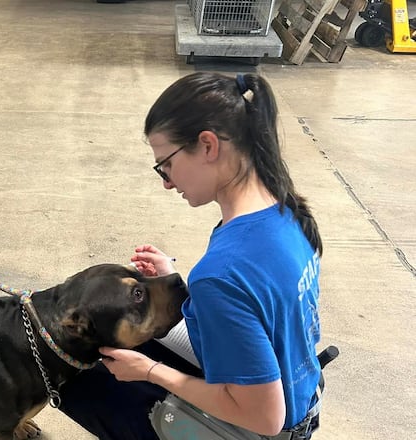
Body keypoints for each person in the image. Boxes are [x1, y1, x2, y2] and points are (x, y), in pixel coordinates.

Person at [59, 72, 323, 439]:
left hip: (266, 427)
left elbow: (265, 417)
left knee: (78, 378)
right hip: (302, 396)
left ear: (208, 145)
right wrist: (185, 288)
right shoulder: (286, 212)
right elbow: (258, 309)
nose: (167, 181)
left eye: (165, 164)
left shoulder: (220, 275)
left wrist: (150, 371)